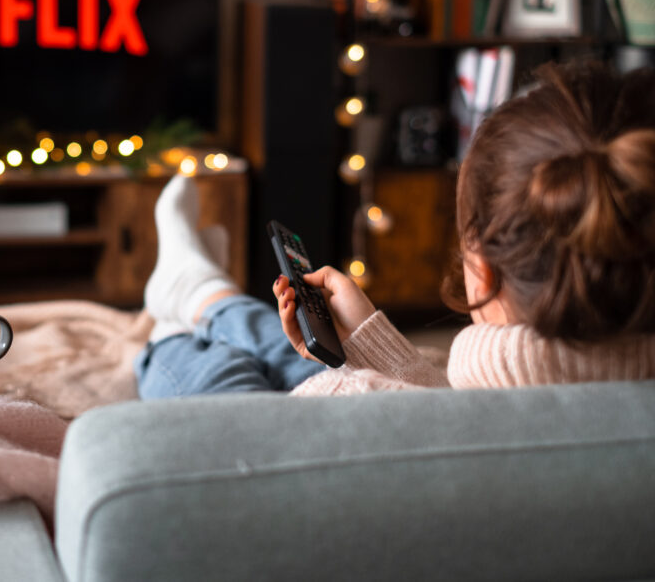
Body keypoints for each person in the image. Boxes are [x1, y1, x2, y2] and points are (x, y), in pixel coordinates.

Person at [135, 60, 655, 399]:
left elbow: (388, 412)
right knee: (304, 347)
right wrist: (368, 339)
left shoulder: (346, 405)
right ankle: (201, 291)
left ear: (485, 269)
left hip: (264, 433)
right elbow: (432, 410)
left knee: (218, 373)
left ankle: (179, 316)